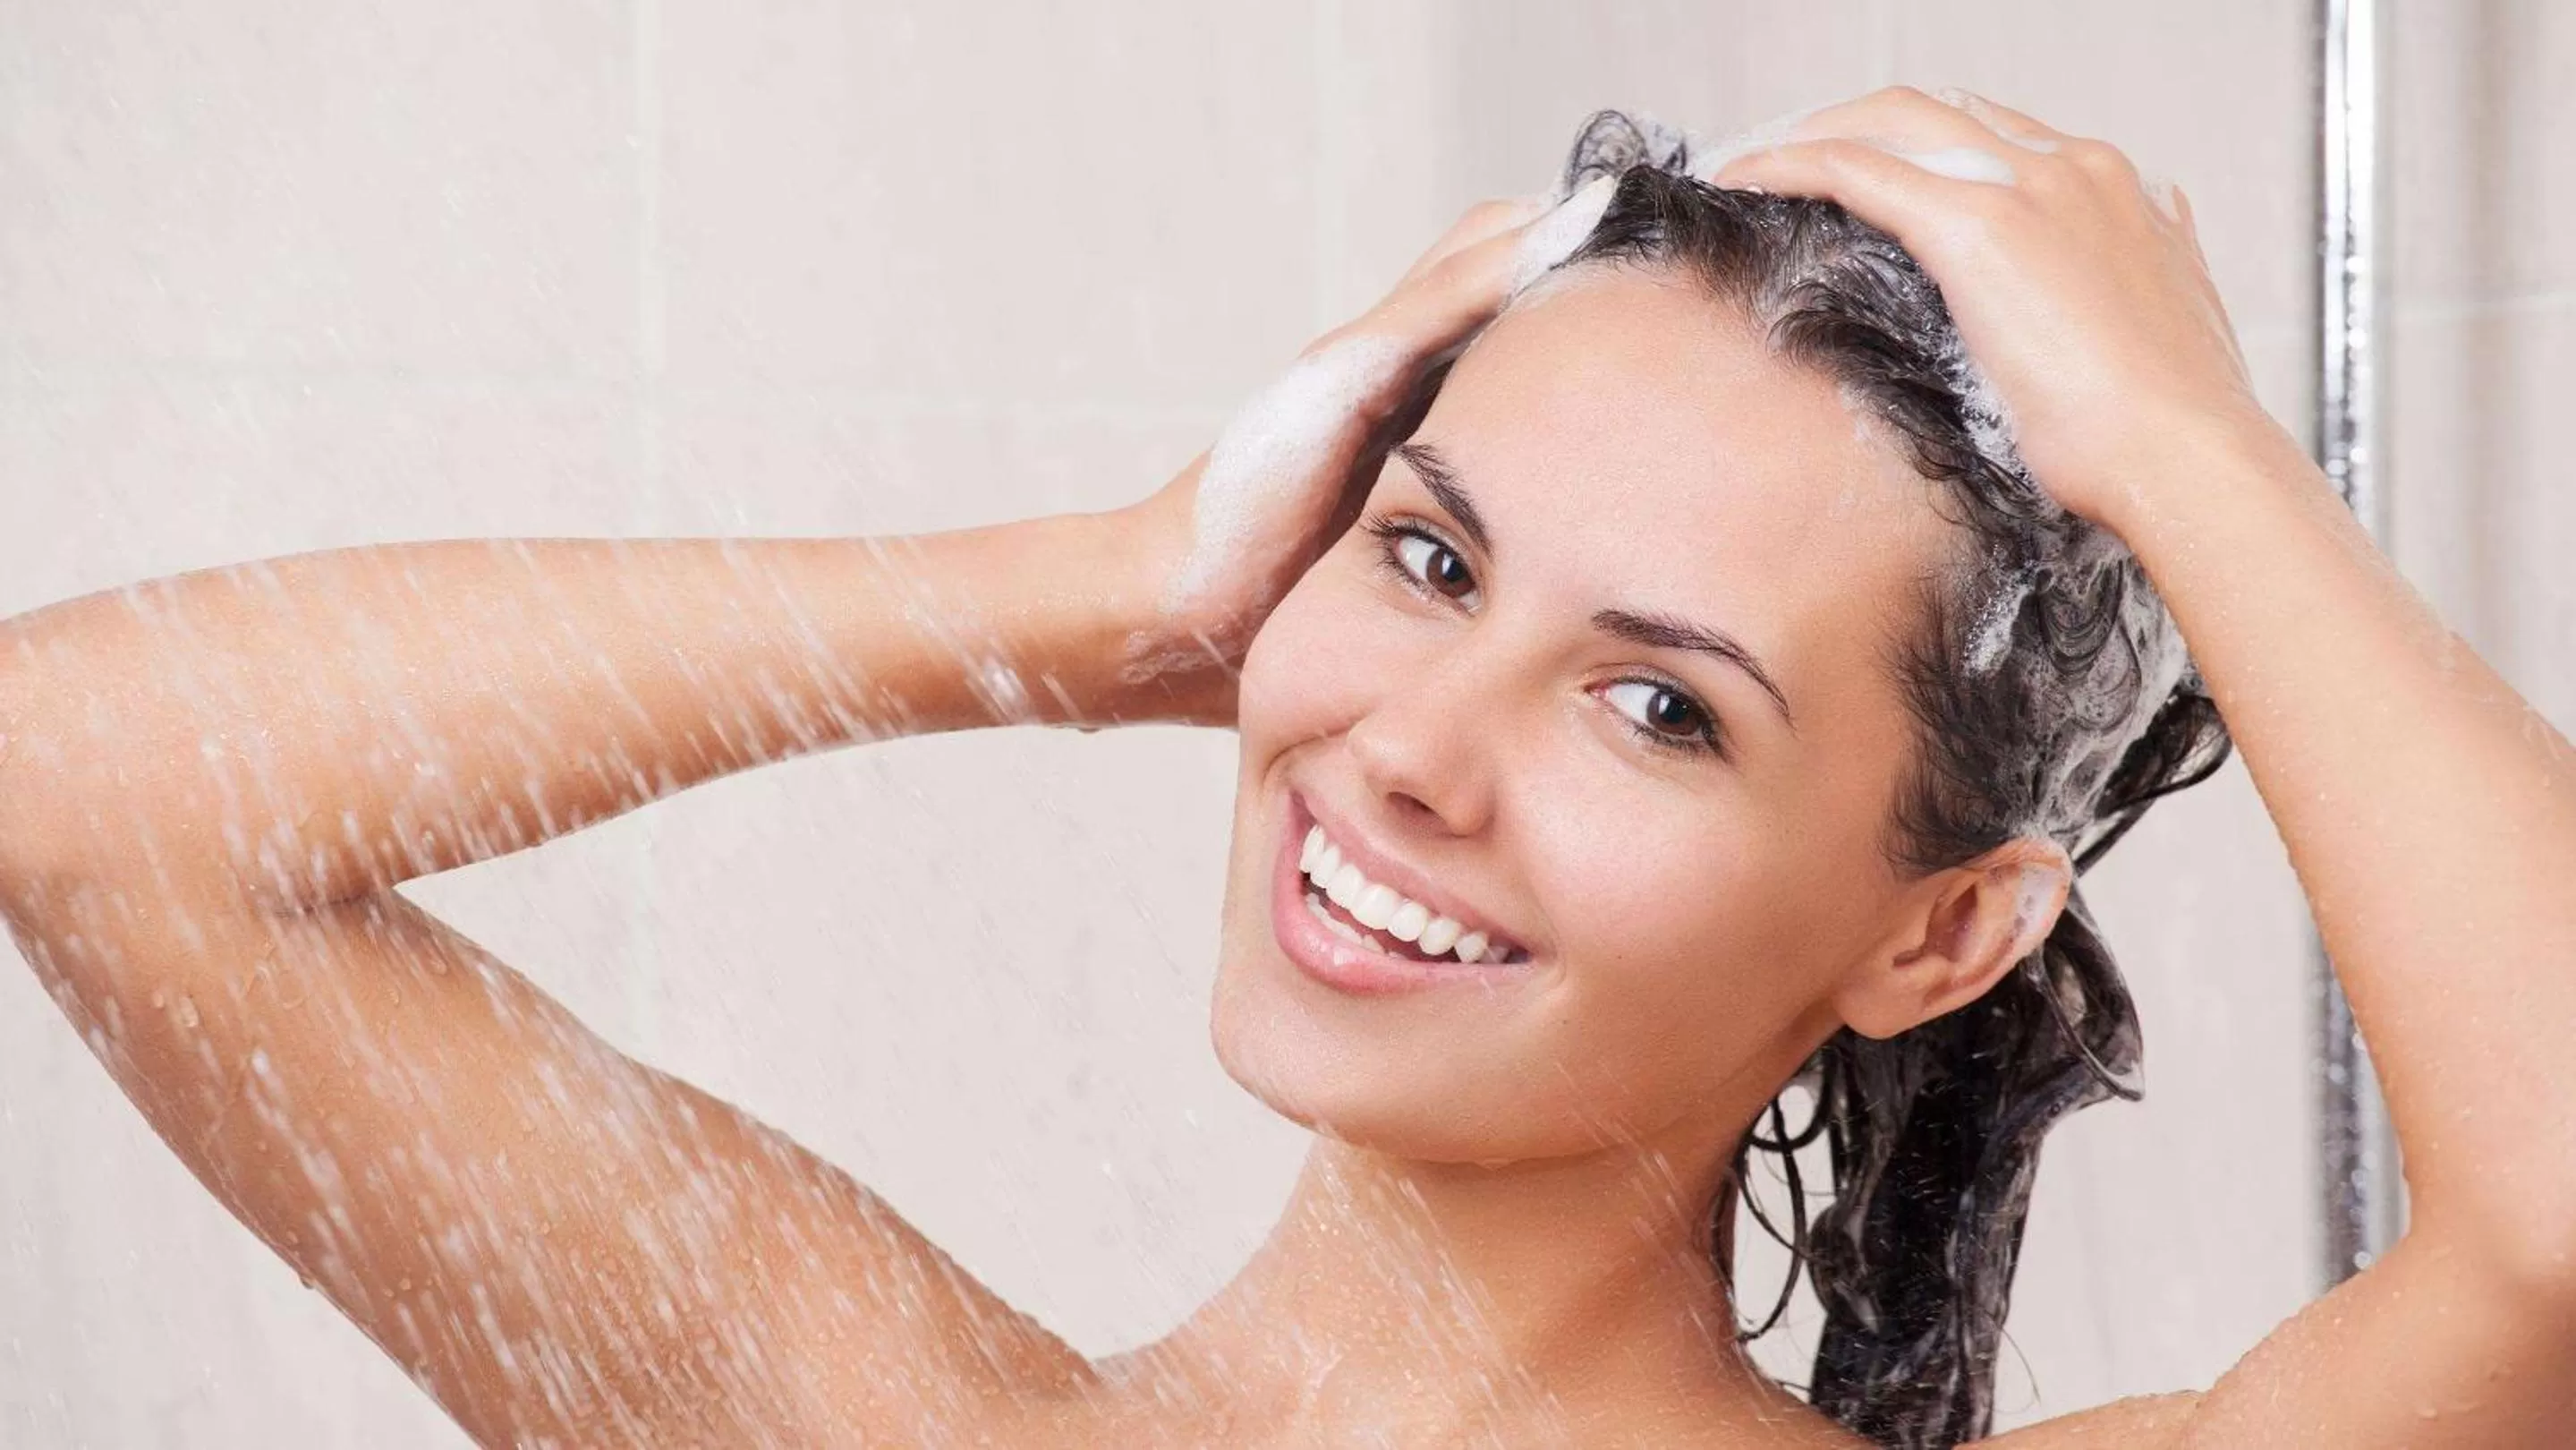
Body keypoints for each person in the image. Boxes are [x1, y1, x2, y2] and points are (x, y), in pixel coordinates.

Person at [1, 86, 2570, 1448]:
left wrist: (2193, 452)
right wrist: (1100, 595)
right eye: (1429, 560)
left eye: (1659, 705)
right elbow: (82, 788)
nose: (1415, 753)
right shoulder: (846, 1413)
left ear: (1940, 928)